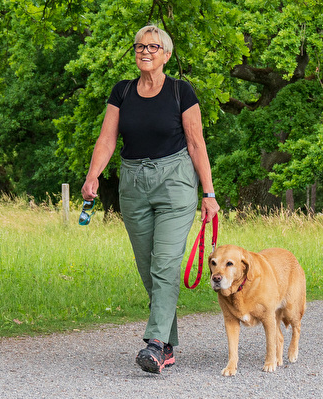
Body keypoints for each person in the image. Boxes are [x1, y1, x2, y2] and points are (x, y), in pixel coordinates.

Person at [81, 24, 220, 374]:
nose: (145, 51)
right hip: (133, 183)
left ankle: (154, 344)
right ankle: (167, 346)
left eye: (154, 47)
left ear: (167, 55)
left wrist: (209, 193)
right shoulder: (122, 92)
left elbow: (196, 143)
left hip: (175, 182)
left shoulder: (180, 91)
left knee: (165, 264)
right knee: (148, 268)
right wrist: (92, 175)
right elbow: (107, 138)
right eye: (140, 46)